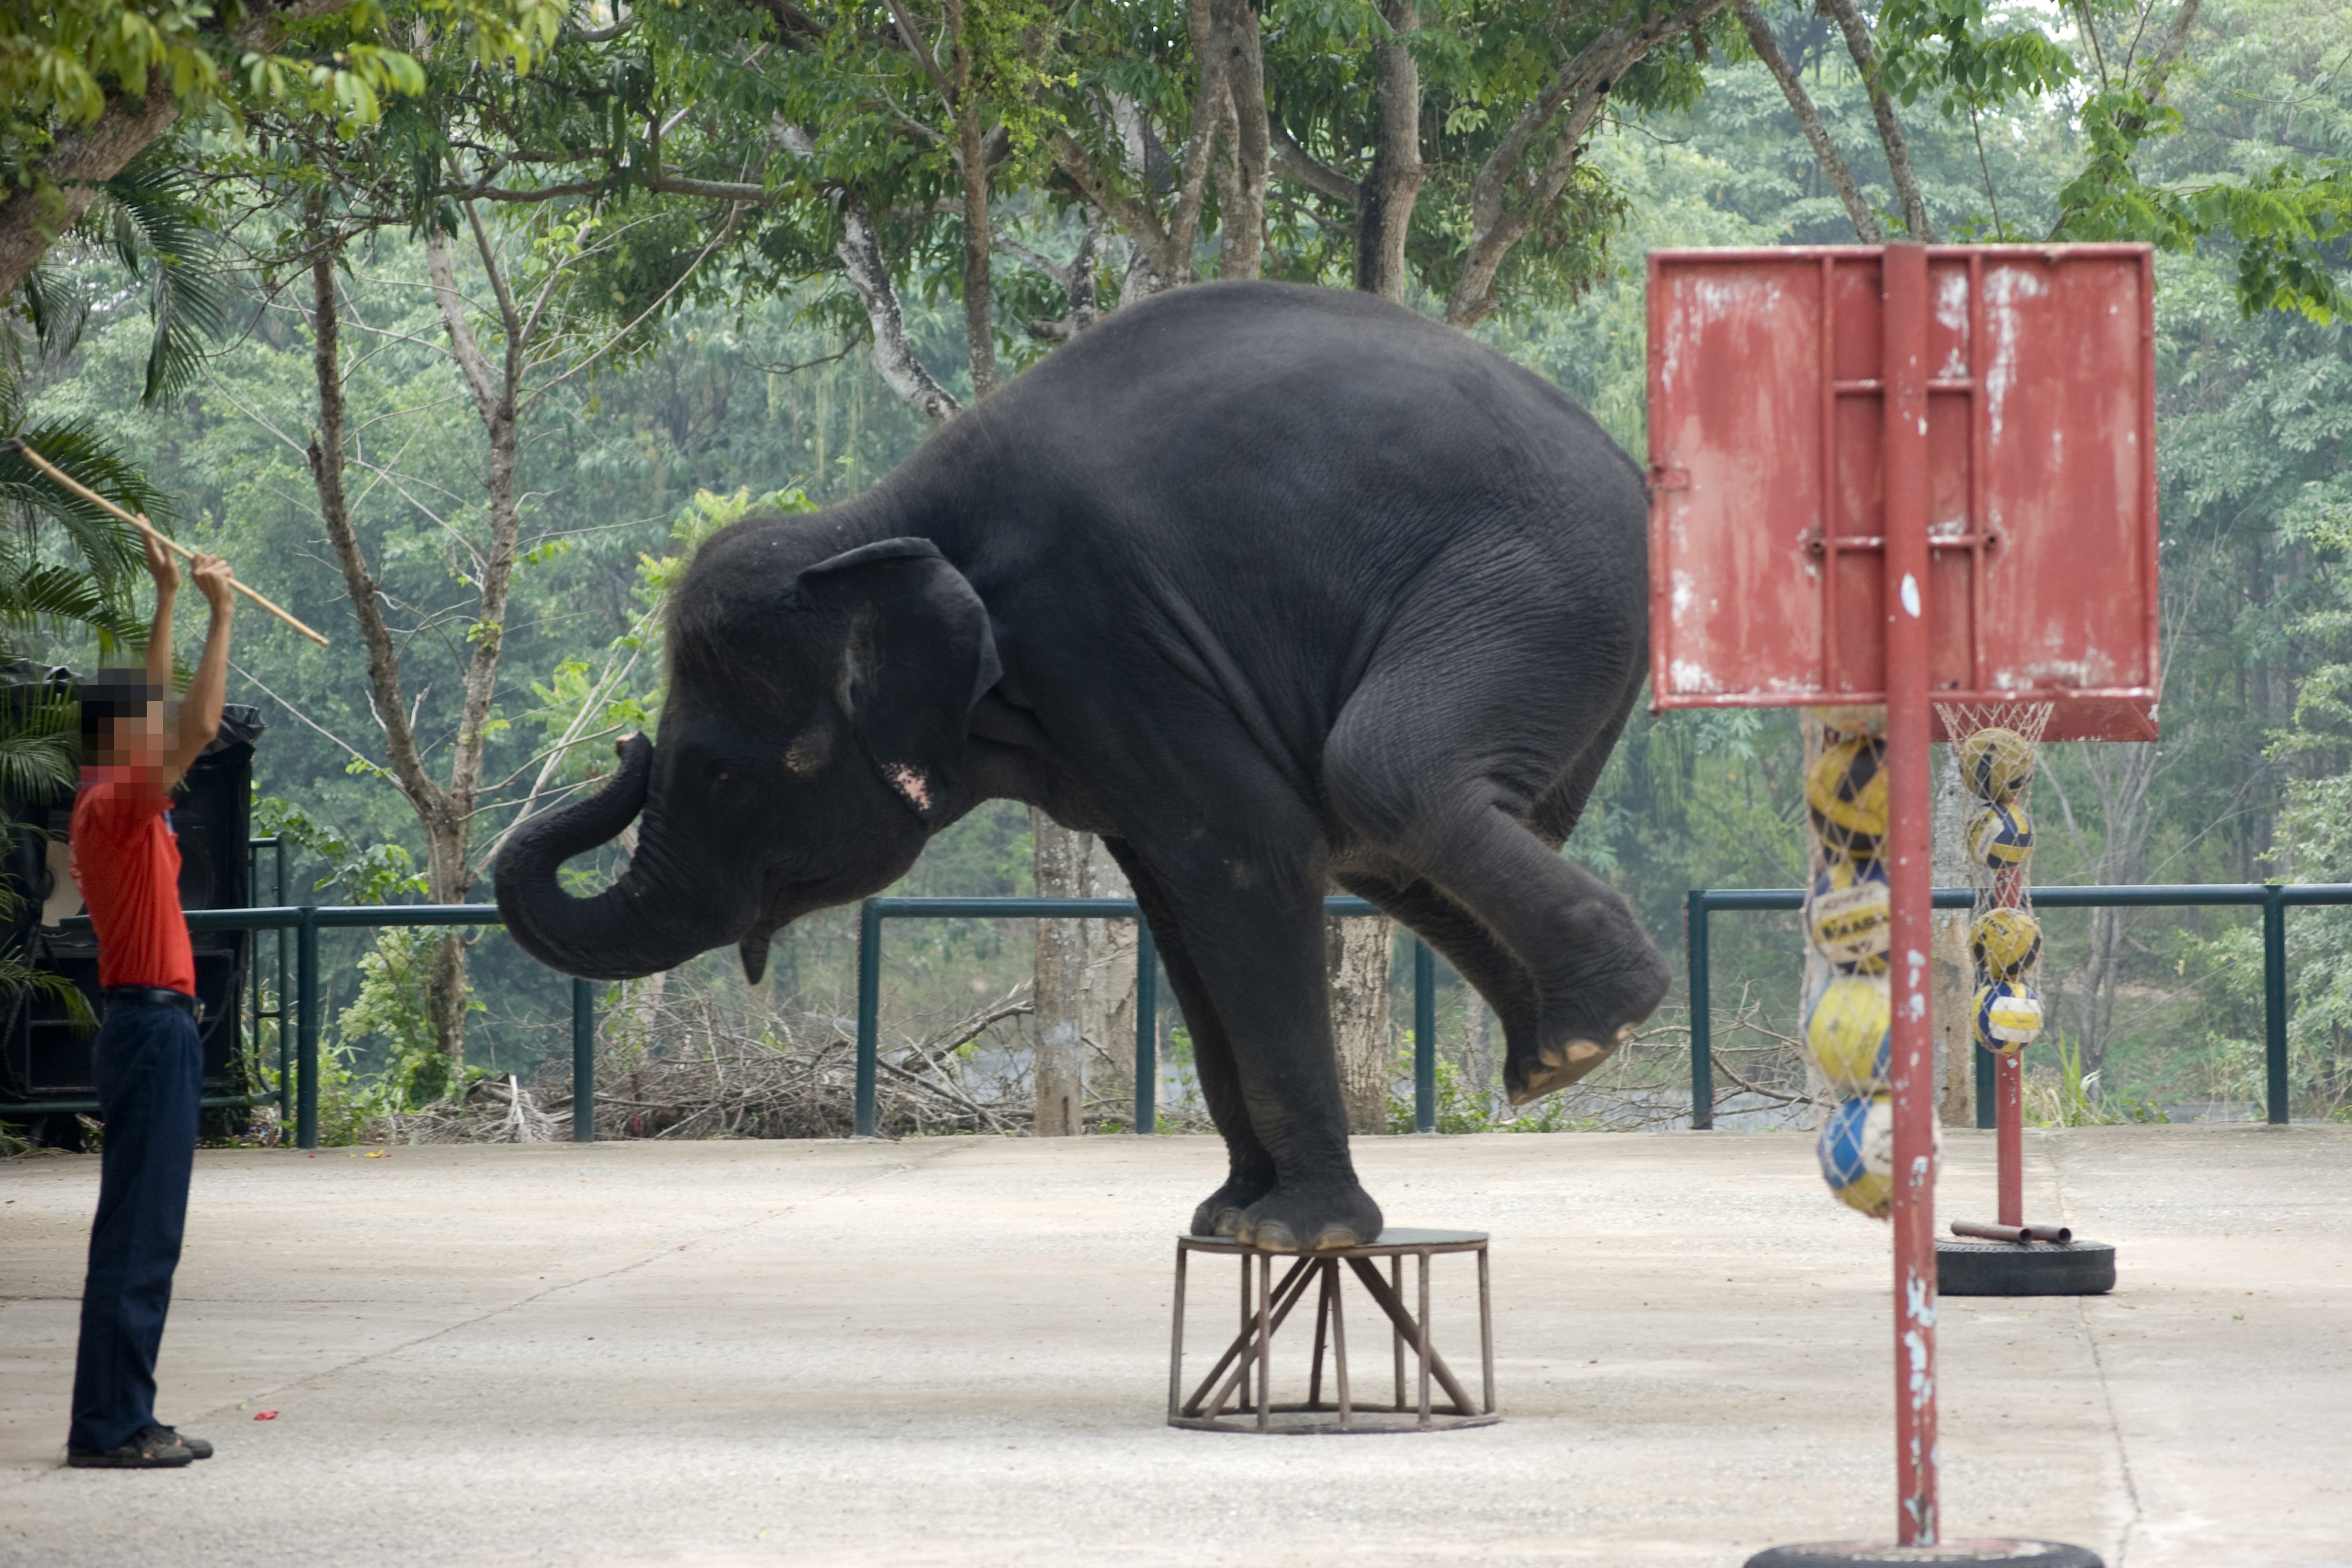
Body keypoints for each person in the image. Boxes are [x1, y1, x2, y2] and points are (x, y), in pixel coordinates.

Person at [64, 531, 236, 1469]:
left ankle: (118, 1416)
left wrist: (166, 595)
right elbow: (199, 726)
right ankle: (112, 1427)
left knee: (139, 1228)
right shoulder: (119, 800)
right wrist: (221, 610)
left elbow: (164, 706)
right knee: (141, 1235)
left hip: (146, 1025)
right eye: (143, 722)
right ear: (122, 741)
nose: (159, 727)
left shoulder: (113, 794)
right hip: (147, 1026)